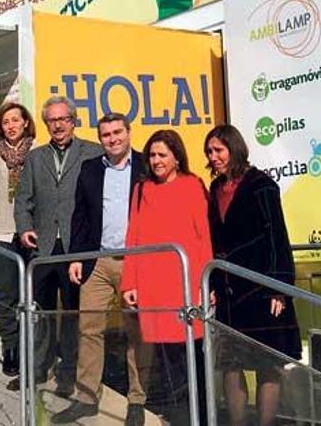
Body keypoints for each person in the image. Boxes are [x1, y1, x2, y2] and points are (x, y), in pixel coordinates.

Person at [51, 113, 149, 425]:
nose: (113, 139)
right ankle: (86, 398)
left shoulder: (147, 166)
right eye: (106, 134)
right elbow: (79, 217)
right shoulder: (90, 169)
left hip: (136, 262)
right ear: (100, 138)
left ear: (129, 132)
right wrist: (78, 257)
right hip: (98, 261)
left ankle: (137, 400)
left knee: (138, 332)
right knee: (88, 329)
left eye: (118, 132)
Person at [204, 125, 302, 426]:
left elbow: (276, 236)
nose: (213, 157)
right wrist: (214, 283)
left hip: (261, 289)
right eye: (209, 152)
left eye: (218, 150)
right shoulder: (215, 189)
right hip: (230, 290)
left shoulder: (261, 185)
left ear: (234, 148)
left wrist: (279, 288)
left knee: (267, 365)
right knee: (231, 366)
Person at [122, 129, 212, 424]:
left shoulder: (193, 185)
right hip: (153, 285)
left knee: (192, 354)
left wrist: (205, 283)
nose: (156, 160)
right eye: (152, 155)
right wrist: (129, 283)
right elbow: (133, 237)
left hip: (186, 284)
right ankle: (178, 415)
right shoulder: (141, 189)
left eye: (162, 154)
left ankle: (198, 415)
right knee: (166, 356)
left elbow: (203, 238)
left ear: (177, 156)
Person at [14, 96, 103, 396]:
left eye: (63, 119)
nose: (58, 125)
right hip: (43, 248)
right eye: (52, 120)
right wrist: (25, 228)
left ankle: (69, 373)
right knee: (41, 313)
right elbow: (22, 200)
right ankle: (38, 370)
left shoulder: (93, 152)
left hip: (76, 248)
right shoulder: (35, 157)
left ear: (74, 121)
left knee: (74, 314)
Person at [0, 101, 35, 385]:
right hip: (0, 233)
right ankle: (10, 350)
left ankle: (34, 352)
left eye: (16, 120)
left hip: (31, 234)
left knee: (32, 298)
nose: (11, 125)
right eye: (6, 122)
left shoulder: (38, 152)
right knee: (6, 297)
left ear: (26, 122)